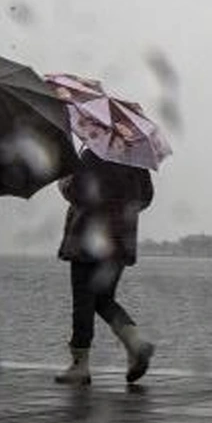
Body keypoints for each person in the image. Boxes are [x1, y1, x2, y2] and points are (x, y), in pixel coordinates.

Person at [54, 151, 155, 385]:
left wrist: (64, 181)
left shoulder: (91, 155)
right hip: (119, 241)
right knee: (102, 299)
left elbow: (77, 192)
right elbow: (146, 197)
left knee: (83, 301)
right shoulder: (135, 159)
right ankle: (136, 343)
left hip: (88, 240)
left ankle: (80, 366)